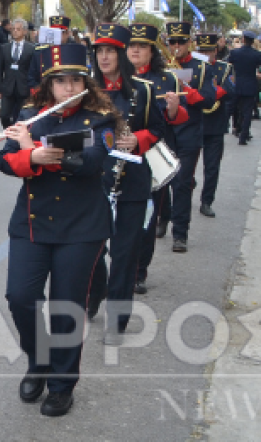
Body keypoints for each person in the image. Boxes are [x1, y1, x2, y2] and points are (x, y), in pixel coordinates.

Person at [0, 43, 119, 418]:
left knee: (67, 306)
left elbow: (92, 161)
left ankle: (63, 384)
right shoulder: (32, 113)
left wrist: (33, 150)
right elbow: (5, 161)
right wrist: (26, 155)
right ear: (48, 85)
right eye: (60, 81)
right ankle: (39, 361)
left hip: (82, 226)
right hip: (32, 222)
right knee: (20, 296)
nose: (68, 88)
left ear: (86, 82)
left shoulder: (101, 117)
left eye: (75, 80)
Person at [85, 24, 167, 342]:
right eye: (99, 51)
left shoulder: (143, 90)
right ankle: (95, 293)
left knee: (124, 251)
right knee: (92, 247)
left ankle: (117, 321)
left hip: (132, 179)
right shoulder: (83, 89)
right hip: (93, 180)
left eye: (110, 51)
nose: (104, 57)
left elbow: (158, 129)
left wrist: (138, 139)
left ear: (120, 53)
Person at [126, 23, 184, 294]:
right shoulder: (114, 77)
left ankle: (139, 271)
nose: (135, 50)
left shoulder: (167, 79)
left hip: (152, 156)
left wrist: (173, 111)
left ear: (152, 50)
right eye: (131, 45)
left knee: (147, 217)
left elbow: (173, 120)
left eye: (142, 46)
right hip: (116, 156)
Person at [164, 21, 220, 253]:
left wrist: (185, 88)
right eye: (172, 42)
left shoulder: (202, 67)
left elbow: (209, 99)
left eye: (181, 42)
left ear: (190, 43)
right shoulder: (162, 66)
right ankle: (161, 219)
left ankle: (180, 233)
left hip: (189, 130)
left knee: (182, 183)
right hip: (166, 131)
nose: (176, 46)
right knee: (161, 182)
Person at [195, 32, 234, 217]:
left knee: (212, 167)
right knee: (185, 168)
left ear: (215, 51)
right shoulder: (192, 68)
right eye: (201, 50)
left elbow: (231, 89)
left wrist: (209, 94)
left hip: (215, 124)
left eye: (208, 51)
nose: (205, 54)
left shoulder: (225, 68)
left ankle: (207, 201)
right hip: (193, 124)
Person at [0, 18, 34, 128]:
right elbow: (0, 71)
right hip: (8, 87)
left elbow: (32, 70)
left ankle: (18, 140)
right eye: (13, 29)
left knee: (22, 117)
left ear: (25, 32)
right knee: (4, 115)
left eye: (18, 29)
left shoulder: (31, 49)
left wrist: (32, 88)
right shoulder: (5, 48)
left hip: (24, 88)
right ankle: (9, 136)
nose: (15, 31)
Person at [228, 31, 261, 145]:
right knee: (247, 112)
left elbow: (227, 65)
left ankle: (232, 128)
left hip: (237, 84)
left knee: (234, 109)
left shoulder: (235, 52)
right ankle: (244, 135)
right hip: (250, 85)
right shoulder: (257, 54)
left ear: (243, 39)